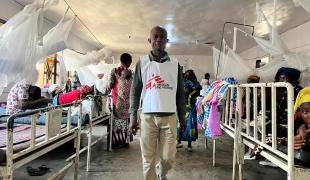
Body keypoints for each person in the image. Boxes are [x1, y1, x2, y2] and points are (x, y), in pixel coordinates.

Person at [129, 26, 186, 180]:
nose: (159, 39)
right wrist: (133, 117)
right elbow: (135, 91)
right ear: (150, 40)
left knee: (168, 157)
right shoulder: (142, 63)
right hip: (148, 118)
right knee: (148, 159)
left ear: (167, 41)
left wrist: (183, 117)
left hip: (169, 118)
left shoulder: (175, 64)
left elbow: (180, 93)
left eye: (162, 37)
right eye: (156, 36)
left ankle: (161, 172)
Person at [109, 53, 133, 148]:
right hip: (128, 101)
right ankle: (125, 141)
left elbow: (110, 85)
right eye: (130, 62)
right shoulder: (131, 72)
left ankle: (117, 141)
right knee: (126, 121)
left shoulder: (114, 71)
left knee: (117, 121)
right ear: (127, 62)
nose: (130, 64)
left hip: (117, 100)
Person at [177, 69, 201, 152]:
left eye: (188, 75)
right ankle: (183, 143)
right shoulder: (189, 83)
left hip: (187, 108)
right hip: (186, 107)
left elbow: (197, 92)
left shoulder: (191, 84)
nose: (187, 76)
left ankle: (184, 143)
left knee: (187, 125)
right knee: (185, 125)